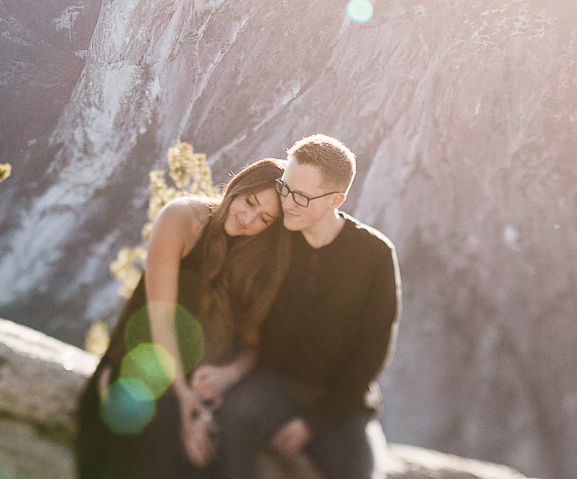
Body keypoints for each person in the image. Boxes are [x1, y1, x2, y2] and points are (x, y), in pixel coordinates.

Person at [77, 157, 291, 479]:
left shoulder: (257, 260)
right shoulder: (182, 218)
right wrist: (183, 397)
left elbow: (251, 345)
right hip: (139, 369)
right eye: (249, 202)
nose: (248, 219)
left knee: (214, 449)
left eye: (263, 219)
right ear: (238, 187)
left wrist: (228, 376)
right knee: (163, 437)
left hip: (202, 386)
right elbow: (159, 317)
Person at [212, 135, 400, 479]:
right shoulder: (275, 234)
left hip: (340, 402)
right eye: (285, 188)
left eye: (301, 197)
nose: (288, 203)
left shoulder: (375, 256)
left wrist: (314, 425)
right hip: (272, 385)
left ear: (336, 200)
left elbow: (374, 351)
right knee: (232, 422)